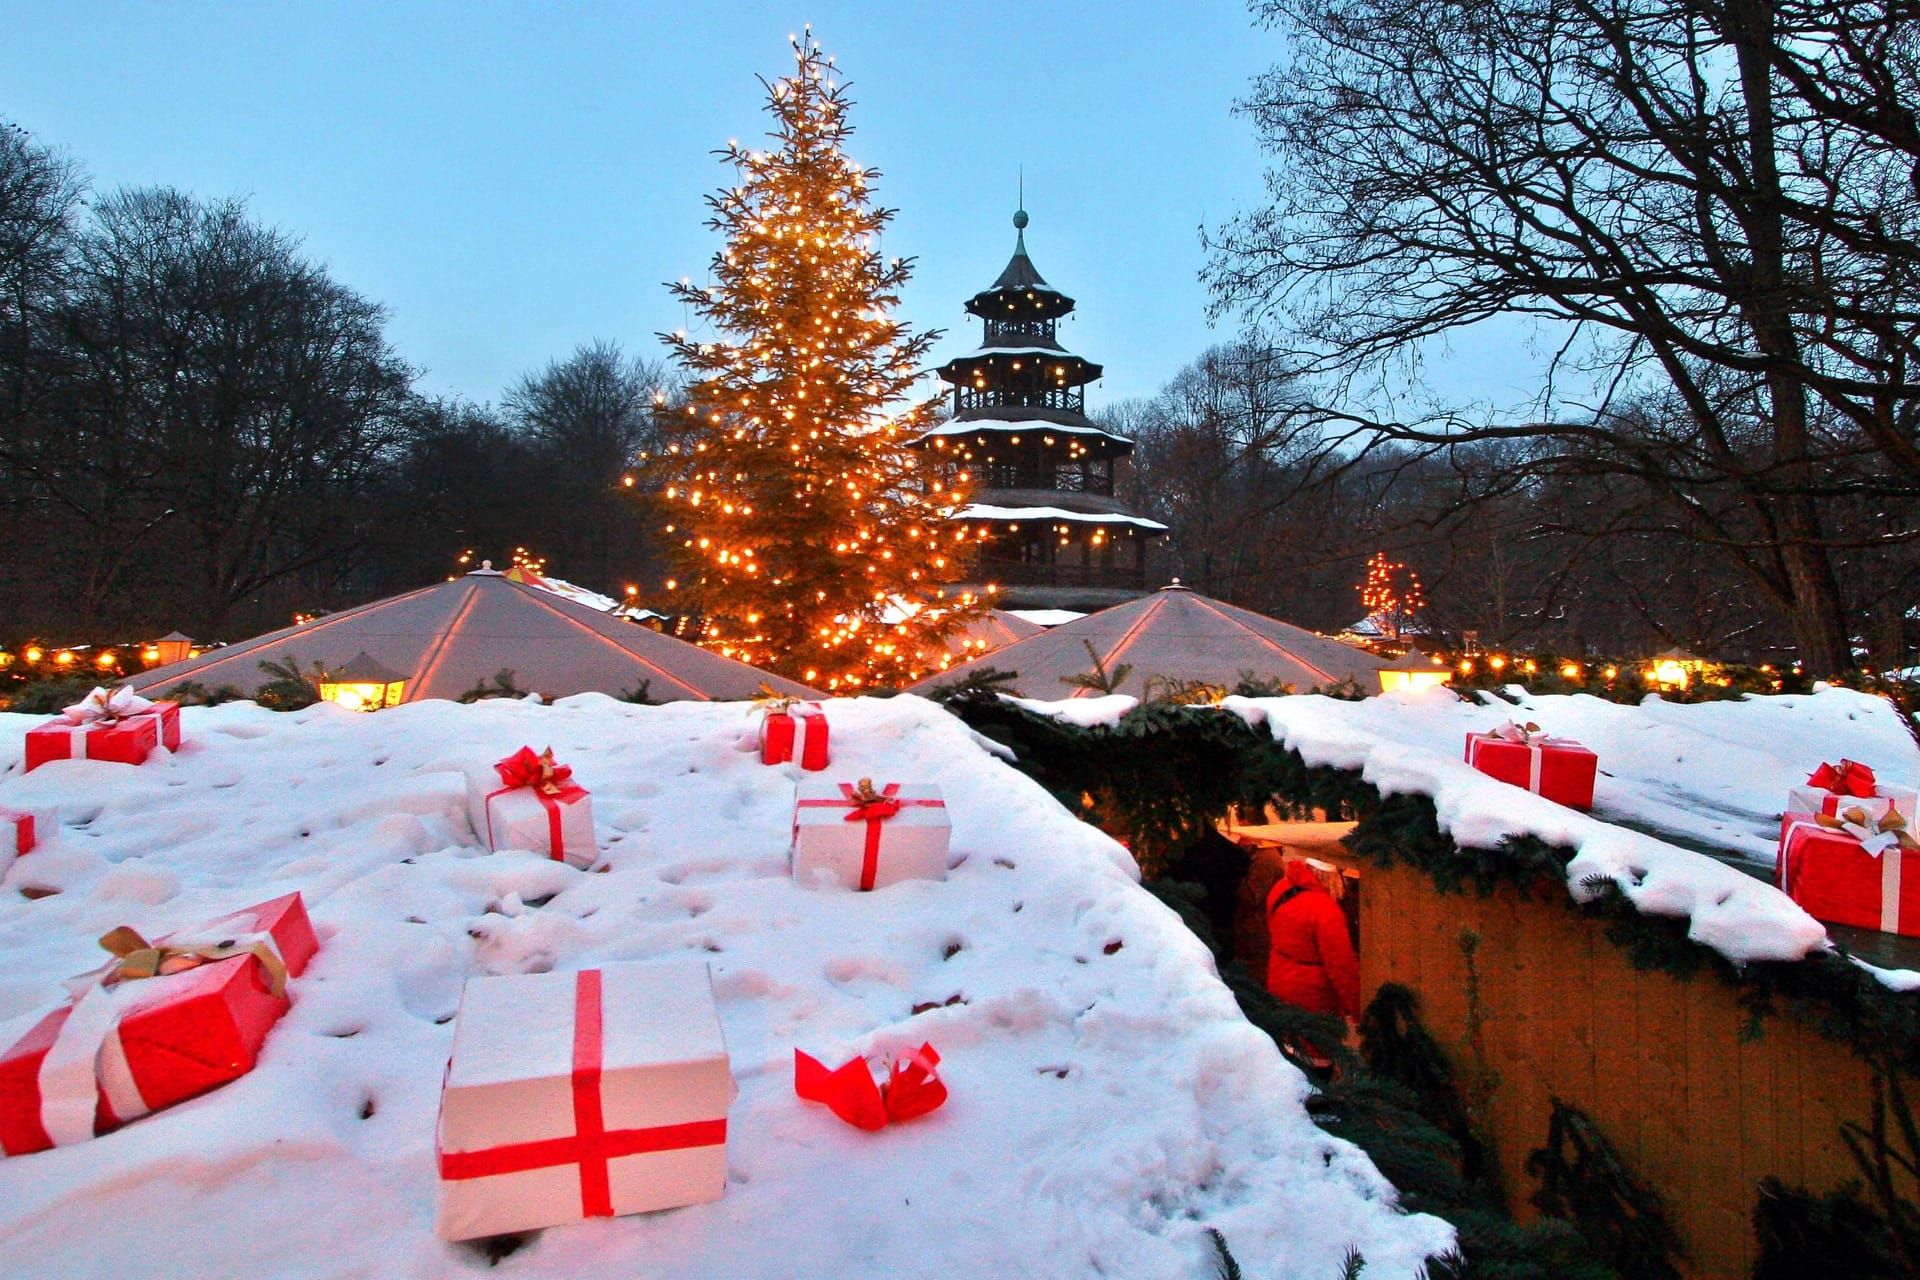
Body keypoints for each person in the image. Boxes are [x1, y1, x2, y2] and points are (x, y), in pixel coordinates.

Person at [1263, 858, 1361, 1029]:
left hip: (1278, 977)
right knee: (1315, 1050)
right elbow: (1341, 967)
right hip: (1313, 996)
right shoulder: (1326, 910)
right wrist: (1358, 1011)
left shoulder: (1281, 888)